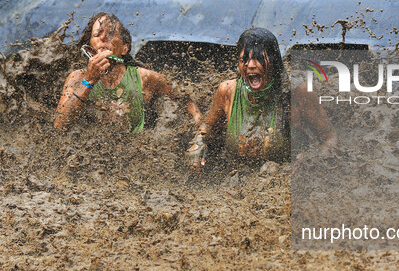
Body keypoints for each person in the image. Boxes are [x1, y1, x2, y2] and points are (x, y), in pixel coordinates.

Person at [187, 27, 336, 169]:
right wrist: (198, 144)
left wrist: (311, 162)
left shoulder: (297, 93)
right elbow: (209, 128)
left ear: (274, 61)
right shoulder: (228, 91)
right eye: (244, 59)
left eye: (258, 58)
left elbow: (330, 139)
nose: (250, 65)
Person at [54, 12, 201, 133]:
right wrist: (89, 80)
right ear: (90, 47)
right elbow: (60, 126)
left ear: (125, 48)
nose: (103, 38)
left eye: (111, 33)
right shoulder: (77, 77)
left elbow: (184, 98)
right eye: (97, 34)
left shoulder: (144, 77)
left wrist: (199, 134)